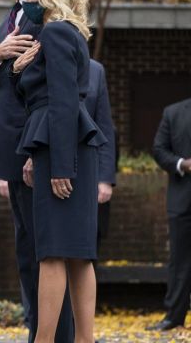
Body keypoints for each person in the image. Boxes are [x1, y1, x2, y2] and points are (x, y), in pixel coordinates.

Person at [0, 0, 73, 343]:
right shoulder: (14, 15)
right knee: (26, 252)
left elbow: (47, 95)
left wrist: (39, 150)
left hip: (32, 149)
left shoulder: (46, 17)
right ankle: (37, 330)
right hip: (11, 153)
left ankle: (55, 336)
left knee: (46, 253)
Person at [10, 0, 107, 343]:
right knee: (77, 253)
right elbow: (48, 99)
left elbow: (64, 103)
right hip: (63, 148)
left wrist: (60, 166)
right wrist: (20, 70)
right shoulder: (65, 33)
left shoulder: (55, 33)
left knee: (53, 253)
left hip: (64, 152)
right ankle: (83, 339)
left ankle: (45, 340)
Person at [146, 97, 191, 331]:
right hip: (183, 199)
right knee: (180, 261)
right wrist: (182, 164)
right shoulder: (172, 112)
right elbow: (159, 149)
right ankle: (174, 316)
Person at [83, 60, 117, 254]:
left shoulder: (95, 70)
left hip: (88, 172)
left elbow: (104, 128)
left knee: (87, 249)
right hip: (49, 168)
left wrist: (104, 179)